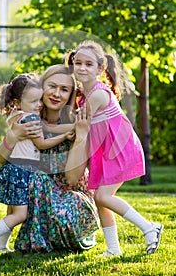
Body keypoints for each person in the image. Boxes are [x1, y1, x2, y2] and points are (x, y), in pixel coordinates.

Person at [65, 40, 163, 256]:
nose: (81, 68)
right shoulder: (86, 93)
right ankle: (113, 249)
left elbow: (78, 126)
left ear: (100, 69)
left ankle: (149, 228)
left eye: (88, 64)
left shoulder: (98, 94)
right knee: (101, 199)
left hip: (119, 149)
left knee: (103, 197)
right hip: (106, 152)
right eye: (78, 63)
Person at [0, 65, 99, 253]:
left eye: (64, 89)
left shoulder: (76, 122)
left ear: (70, 95)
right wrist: (12, 136)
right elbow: (2, 160)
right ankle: (1, 242)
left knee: (60, 212)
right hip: (37, 192)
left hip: (68, 194)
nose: (57, 94)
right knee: (29, 180)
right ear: (41, 87)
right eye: (52, 86)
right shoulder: (28, 118)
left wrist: (81, 136)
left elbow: (71, 179)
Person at [0, 73, 75, 258]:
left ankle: (1, 245)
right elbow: (42, 143)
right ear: (19, 102)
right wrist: (65, 136)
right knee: (20, 215)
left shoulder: (15, 115)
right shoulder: (30, 119)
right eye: (34, 101)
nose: (39, 105)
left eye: (39, 100)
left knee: (12, 211)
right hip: (22, 170)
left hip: (14, 168)